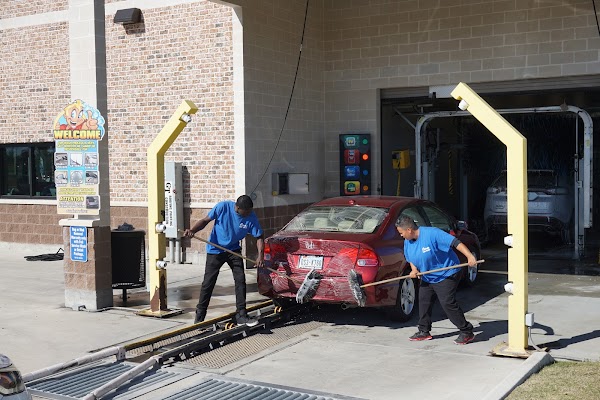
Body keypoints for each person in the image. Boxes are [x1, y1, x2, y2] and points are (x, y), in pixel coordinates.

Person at [395, 215, 477, 345]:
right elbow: (411, 258)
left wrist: (469, 257)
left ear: (409, 230)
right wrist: (414, 270)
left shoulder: (432, 234)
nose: (401, 235)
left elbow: (456, 242)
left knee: (447, 303)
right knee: (423, 301)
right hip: (429, 276)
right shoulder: (408, 241)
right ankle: (424, 331)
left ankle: (467, 331)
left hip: (447, 273)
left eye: (401, 232)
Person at [184, 195, 264, 326]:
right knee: (208, 283)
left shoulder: (251, 216)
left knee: (240, 280)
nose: (248, 214)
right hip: (215, 250)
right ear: (237, 208)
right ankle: (199, 317)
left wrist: (260, 256)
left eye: (250, 211)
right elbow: (205, 221)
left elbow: (259, 236)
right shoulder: (223, 207)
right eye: (246, 212)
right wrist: (192, 230)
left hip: (233, 250)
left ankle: (241, 315)